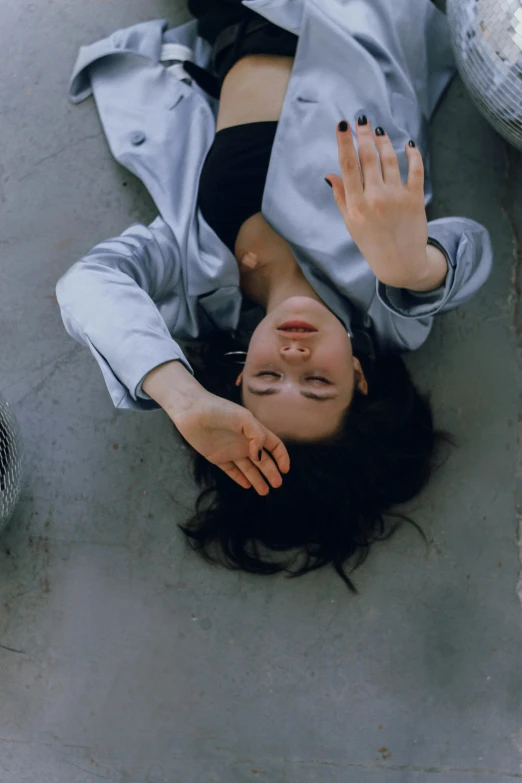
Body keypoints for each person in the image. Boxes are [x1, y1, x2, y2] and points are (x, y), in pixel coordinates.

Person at [56, 0, 493, 590]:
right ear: (360, 379)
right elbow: (468, 251)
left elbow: (88, 284)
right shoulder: (386, 311)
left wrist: (180, 396)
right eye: (318, 383)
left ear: (237, 380)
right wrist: (413, 264)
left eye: (267, 382)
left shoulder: (198, 286)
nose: (293, 359)